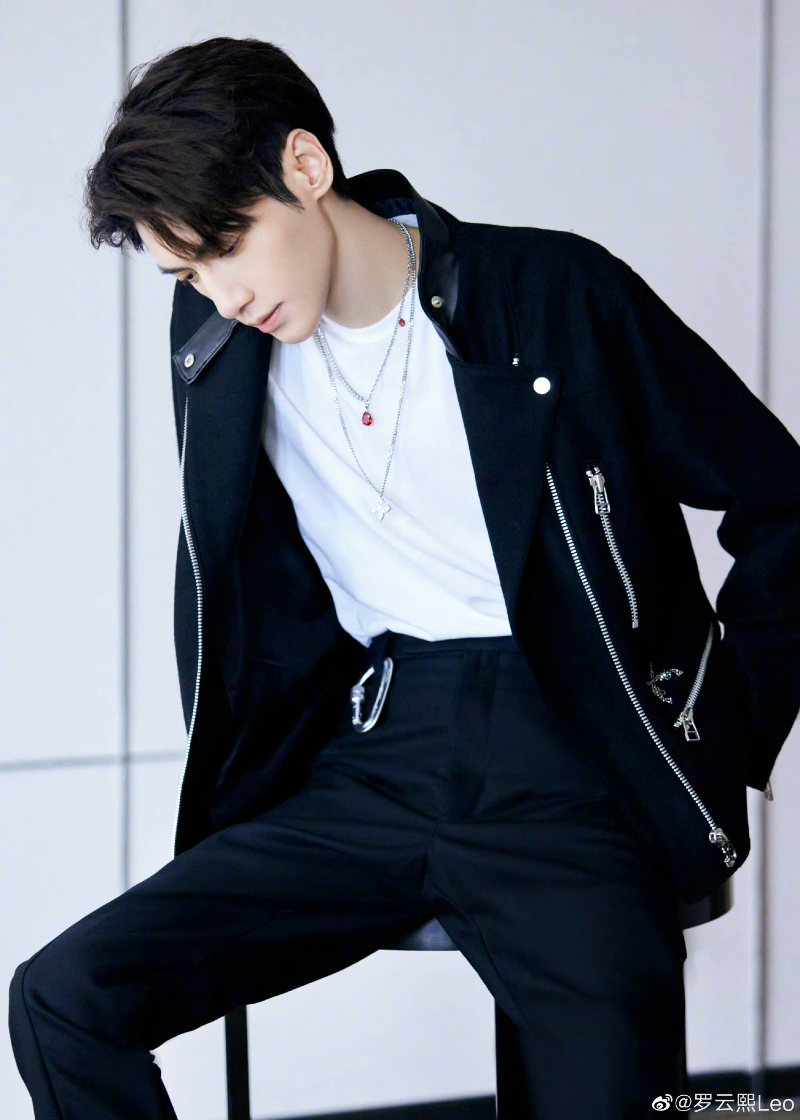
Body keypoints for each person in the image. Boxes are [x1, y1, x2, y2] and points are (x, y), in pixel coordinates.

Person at [9, 34, 800, 1120]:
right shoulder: (219, 343)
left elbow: (780, 501)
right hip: (377, 750)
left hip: (568, 749)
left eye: (226, 246)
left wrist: (721, 725)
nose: (221, 295)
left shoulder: (549, 294)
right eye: (186, 274)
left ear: (305, 166)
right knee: (62, 999)